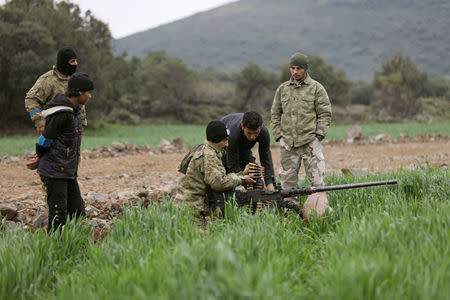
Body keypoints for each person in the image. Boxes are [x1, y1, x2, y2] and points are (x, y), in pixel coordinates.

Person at [26, 73, 94, 232]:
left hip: (67, 171)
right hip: (55, 172)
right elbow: (44, 140)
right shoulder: (62, 114)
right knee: (58, 216)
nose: (90, 96)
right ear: (78, 92)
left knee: (78, 213)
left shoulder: (74, 111)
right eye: (88, 92)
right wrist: (39, 156)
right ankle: (54, 250)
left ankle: (76, 247)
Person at [270, 52, 332, 200]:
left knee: (317, 182)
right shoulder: (282, 89)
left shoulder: (316, 88)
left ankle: (319, 212)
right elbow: (275, 114)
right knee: (287, 185)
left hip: (310, 142)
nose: (295, 72)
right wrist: (279, 136)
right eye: (292, 68)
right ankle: (290, 215)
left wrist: (318, 136)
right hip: (288, 145)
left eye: (299, 68)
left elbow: (325, 114)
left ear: (305, 69)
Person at [174, 120, 256, 219]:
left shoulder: (204, 149)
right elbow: (218, 183)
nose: (227, 144)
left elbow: (218, 178)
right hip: (192, 208)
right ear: (216, 140)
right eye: (225, 140)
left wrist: (241, 174)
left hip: (190, 205)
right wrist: (242, 179)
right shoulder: (209, 156)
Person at [25, 46, 87, 135]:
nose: (76, 64)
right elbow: (31, 100)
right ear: (64, 62)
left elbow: (80, 104)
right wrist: (40, 123)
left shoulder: (75, 79)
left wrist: (82, 124)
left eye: (76, 61)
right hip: (54, 132)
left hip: (74, 133)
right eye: (72, 61)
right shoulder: (48, 80)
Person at [220, 111, 275, 192]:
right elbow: (232, 164)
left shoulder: (264, 132)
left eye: (256, 133)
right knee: (231, 179)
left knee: (255, 178)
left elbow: (265, 158)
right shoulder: (233, 134)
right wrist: (242, 179)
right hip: (225, 147)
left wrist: (269, 183)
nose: (252, 137)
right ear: (242, 126)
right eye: (249, 133)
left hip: (245, 148)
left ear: (260, 128)